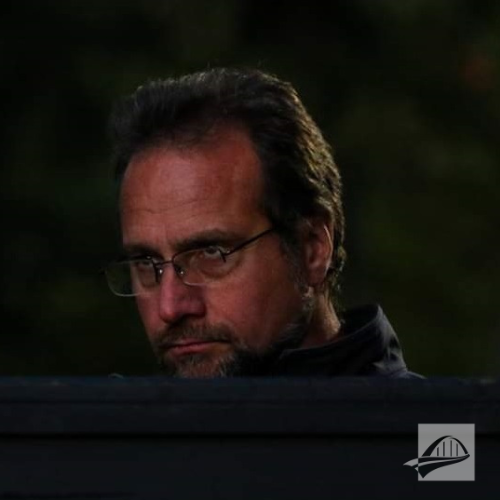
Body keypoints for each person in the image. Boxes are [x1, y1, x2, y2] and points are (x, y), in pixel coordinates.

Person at [105, 67, 419, 378]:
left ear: (312, 248)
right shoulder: (113, 427)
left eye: (212, 254)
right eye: (146, 263)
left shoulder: (441, 427)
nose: (170, 307)